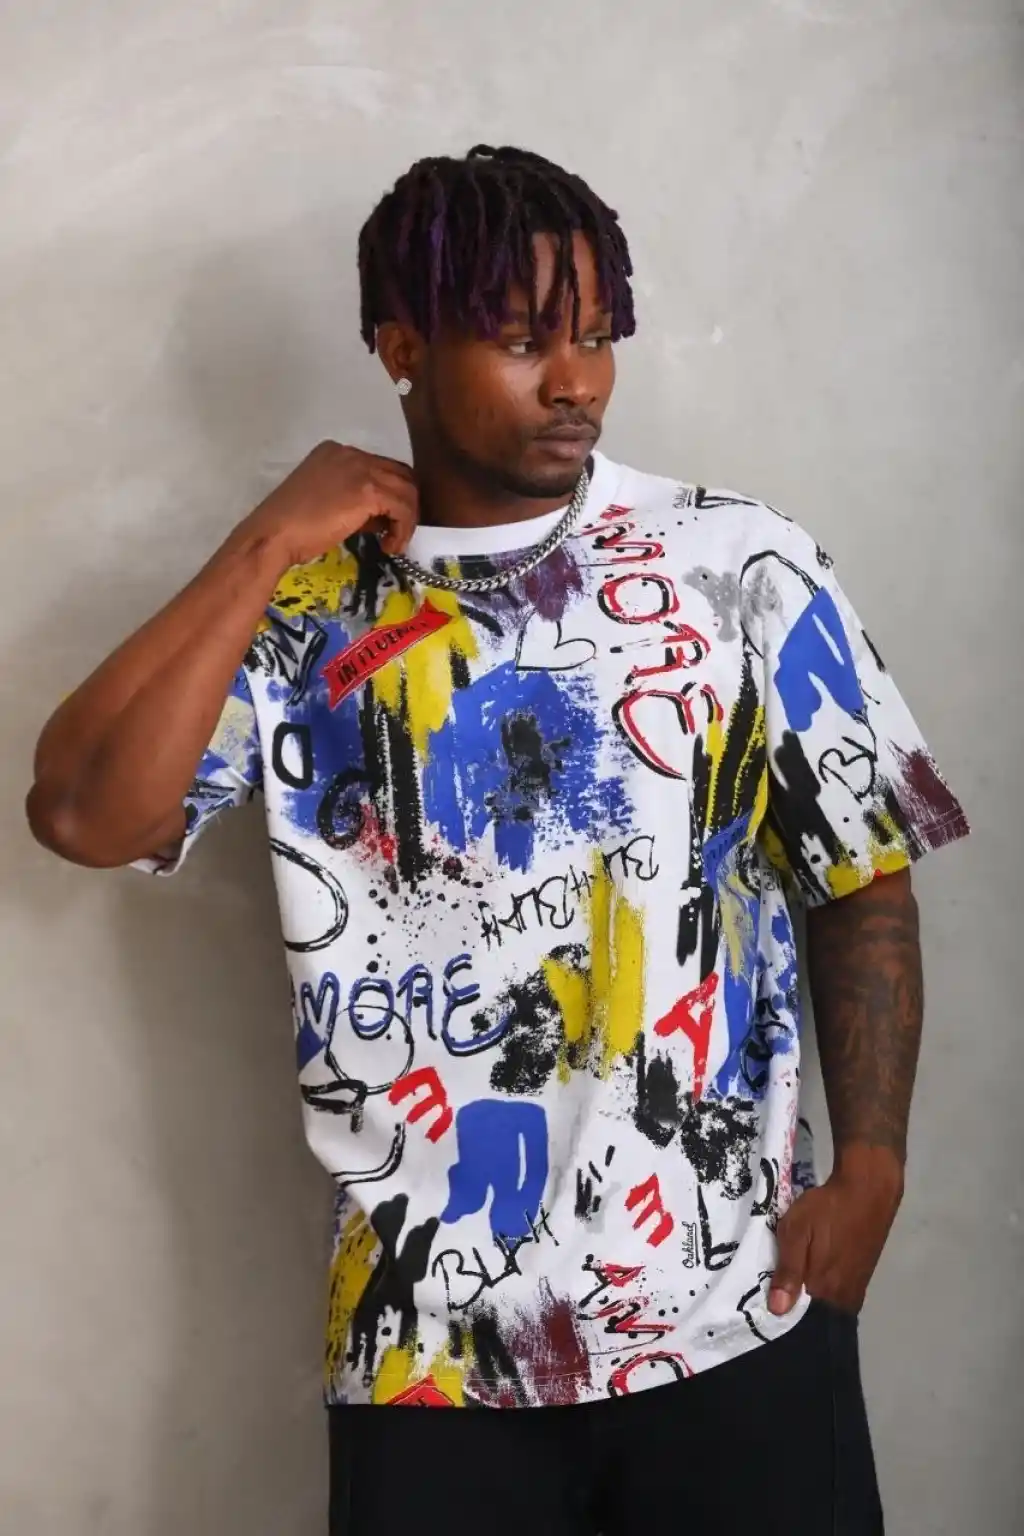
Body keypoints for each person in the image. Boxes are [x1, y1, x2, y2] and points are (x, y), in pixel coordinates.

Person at [27, 145, 969, 1535]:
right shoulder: (306, 617)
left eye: (598, 336)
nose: (576, 380)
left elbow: (862, 873)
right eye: (526, 341)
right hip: (426, 1361)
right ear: (401, 349)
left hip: (733, 1318)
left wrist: (875, 1167)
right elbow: (78, 813)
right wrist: (264, 542)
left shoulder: (736, 568)